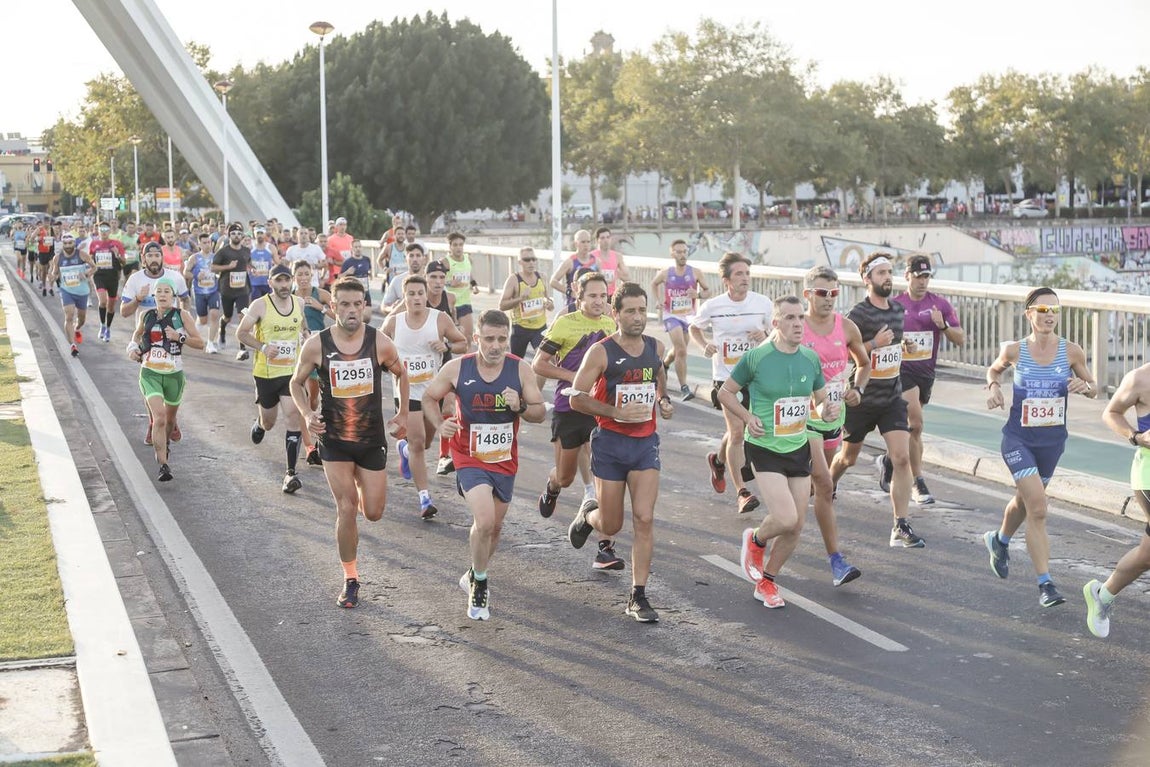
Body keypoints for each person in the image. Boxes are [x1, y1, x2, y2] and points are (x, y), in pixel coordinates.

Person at [290, 277, 409, 609]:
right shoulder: (316, 345)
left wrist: (402, 414)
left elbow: (401, 373)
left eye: (358, 304)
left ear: (365, 307)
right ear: (332, 308)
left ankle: (362, 489)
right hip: (335, 440)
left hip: (371, 440)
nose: (352, 310)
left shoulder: (379, 342)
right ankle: (351, 578)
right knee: (346, 509)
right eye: (345, 304)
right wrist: (307, 412)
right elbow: (296, 383)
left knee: (372, 512)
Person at [422, 309, 546, 620]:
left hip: (504, 458)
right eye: (489, 339)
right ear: (477, 339)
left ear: (508, 339)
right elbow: (428, 397)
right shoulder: (457, 368)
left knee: (495, 528)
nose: (495, 346)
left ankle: (473, 572)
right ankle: (480, 583)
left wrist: (519, 406)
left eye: (502, 339)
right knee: (485, 520)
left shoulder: (521, 370)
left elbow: (539, 412)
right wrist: (439, 425)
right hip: (468, 455)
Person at [566, 282, 675, 622]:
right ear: (616, 314)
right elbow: (575, 396)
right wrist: (615, 412)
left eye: (642, 310)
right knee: (611, 525)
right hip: (611, 444)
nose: (638, 317)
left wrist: (663, 400)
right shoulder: (600, 352)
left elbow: (659, 376)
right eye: (630, 310)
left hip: (645, 444)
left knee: (644, 517)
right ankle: (588, 516)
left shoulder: (655, 346)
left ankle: (637, 596)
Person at [983, 287, 1097, 608]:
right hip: (1018, 439)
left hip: (1052, 442)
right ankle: (1045, 584)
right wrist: (994, 387)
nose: (1049, 316)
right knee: (1038, 507)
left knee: (1024, 500)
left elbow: (1094, 386)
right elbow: (994, 369)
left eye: (1054, 311)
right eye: (1042, 310)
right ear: (1028, 314)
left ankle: (999, 541)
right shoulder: (1014, 349)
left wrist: (1084, 386)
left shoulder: (1072, 352)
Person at [729, 297, 837, 608]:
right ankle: (757, 540)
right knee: (786, 517)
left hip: (797, 445)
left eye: (800, 317)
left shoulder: (810, 358)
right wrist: (748, 417)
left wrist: (825, 410)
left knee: (797, 525)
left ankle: (767, 581)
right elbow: (726, 392)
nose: (798, 324)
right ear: (775, 324)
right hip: (764, 446)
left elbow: (818, 400)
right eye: (789, 318)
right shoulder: (757, 358)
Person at [829, 252, 926, 549]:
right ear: (866, 279)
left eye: (889, 272)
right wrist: (873, 344)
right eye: (881, 272)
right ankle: (826, 484)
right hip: (861, 398)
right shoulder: (857, 315)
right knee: (848, 458)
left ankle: (900, 524)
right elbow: (841, 354)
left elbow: (892, 345)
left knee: (901, 457)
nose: (887, 277)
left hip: (891, 397)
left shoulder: (897, 310)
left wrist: (902, 345)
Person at [533, 272, 623, 570]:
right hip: (568, 406)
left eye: (603, 296)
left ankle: (605, 548)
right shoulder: (565, 323)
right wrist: (574, 377)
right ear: (579, 297)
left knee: (605, 474)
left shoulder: (611, 324)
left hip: (599, 408)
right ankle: (553, 486)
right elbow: (539, 364)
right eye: (592, 296)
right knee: (566, 475)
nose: (598, 301)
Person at [799, 266, 870, 586]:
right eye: (821, 293)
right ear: (808, 295)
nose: (828, 299)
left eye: (833, 294)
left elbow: (864, 363)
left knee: (816, 488)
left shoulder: (847, 327)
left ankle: (776, 528)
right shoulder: (796, 327)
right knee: (825, 486)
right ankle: (836, 560)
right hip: (800, 421)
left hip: (832, 419)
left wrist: (858, 389)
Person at [689, 252, 772, 515]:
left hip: (757, 376)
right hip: (726, 378)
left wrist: (765, 335)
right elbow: (694, 327)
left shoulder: (763, 303)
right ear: (726, 280)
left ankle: (718, 459)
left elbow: (776, 335)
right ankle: (742, 492)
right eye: (739, 274)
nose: (745, 278)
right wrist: (705, 345)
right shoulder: (713, 306)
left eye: (747, 273)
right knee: (738, 431)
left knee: (744, 427)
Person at [381, 274, 468, 519]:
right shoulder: (393, 323)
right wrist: (389, 365)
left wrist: (447, 347)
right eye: (411, 294)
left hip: (433, 391)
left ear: (426, 295)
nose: (417, 298)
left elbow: (464, 343)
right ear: (404, 297)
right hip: (406, 393)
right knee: (419, 442)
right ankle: (425, 498)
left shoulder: (439, 319)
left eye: (421, 293)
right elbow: (376, 348)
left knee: (426, 442)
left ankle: (405, 450)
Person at [886, 255, 965, 504]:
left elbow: (960, 338)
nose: (922, 281)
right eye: (917, 276)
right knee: (916, 423)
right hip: (901, 372)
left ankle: (891, 459)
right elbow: (882, 336)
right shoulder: (895, 305)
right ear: (907, 276)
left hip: (926, 374)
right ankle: (917, 481)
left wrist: (942, 326)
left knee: (913, 430)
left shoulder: (939, 304)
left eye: (926, 276)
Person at [1084, 362, 1150, 637]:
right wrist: (1136, 436)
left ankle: (1103, 594)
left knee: (1147, 555)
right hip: (1149, 476)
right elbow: (1111, 413)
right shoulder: (1140, 378)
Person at [237, 263, 311, 494]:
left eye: (287, 280)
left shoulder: (299, 303)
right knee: (269, 421)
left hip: (291, 373)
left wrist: (307, 337)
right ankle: (260, 423)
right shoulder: (260, 305)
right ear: (270, 283)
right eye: (278, 281)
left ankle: (290, 474)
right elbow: (241, 333)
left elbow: (303, 326)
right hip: (266, 373)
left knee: (293, 416)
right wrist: (263, 346)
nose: (284, 285)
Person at [127, 277, 205, 481]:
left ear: (173, 296)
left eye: (166, 291)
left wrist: (179, 337)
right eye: (158, 291)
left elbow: (199, 343)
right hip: (150, 373)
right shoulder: (146, 315)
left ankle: (166, 443)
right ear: (154, 296)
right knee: (159, 418)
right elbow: (136, 336)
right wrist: (132, 349)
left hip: (174, 376)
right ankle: (163, 464)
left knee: (169, 420)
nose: (162, 295)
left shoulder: (182, 315)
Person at [651, 238, 709, 400]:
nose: (682, 255)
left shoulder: (695, 272)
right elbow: (653, 284)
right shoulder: (666, 273)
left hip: (689, 316)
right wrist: (658, 300)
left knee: (678, 350)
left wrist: (697, 295)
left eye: (684, 251)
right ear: (672, 253)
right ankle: (684, 387)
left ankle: (665, 364)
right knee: (682, 350)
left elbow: (707, 292)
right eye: (679, 252)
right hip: (671, 316)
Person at [498, 246, 552, 380]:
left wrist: (549, 304)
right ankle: (515, 394)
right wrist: (521, 298)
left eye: (534, 259)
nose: (531, 263)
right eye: (527, 260)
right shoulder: (514, 280)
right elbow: (502, 305)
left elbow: (549, 301)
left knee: (543, 363)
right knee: (514, 366)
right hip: (520, 329)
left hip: (539, 328)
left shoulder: (542, 277)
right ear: (520, 262)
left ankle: (536, 397)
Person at [47, 233, 96, 357]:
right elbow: (55, 273)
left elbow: (94, 267)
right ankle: (72, 345)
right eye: (65, 244)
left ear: (74, 243)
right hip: (66, 290)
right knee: (69, 316)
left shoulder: (81, 254)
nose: (68, 246)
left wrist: (86, 274)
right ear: (62, 244)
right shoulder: (57, 258)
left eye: (70, 243)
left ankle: (77, 328)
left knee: (82, 319)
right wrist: (52, 277)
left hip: (82, 291)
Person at [214, 223, 252, 360]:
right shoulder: (223, 251)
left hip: (243, 290)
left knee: (243, 316)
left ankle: (242, 348)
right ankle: (222, 327)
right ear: (229, 236)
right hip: (227, 290)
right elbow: (213, 267)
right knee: (228, 317)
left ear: (242, 236)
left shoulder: (246, 251)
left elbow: (248, 262)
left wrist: (251, 268)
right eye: (233, 234)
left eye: (239, 234)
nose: (236, 236)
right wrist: (228, 266)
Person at [183, 232, 223, 354]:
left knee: (215, 314)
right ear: (199, 244)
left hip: (213, 291)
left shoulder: (215, 257)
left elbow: (221, 272)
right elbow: (185, 273)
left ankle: (211, 343)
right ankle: (194, 335)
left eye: (209, 242)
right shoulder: (194, 258)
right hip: (200, 292)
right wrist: (196, 275)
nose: (207, 245)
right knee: (203, 319)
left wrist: (219, 275)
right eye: (204, 243)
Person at [87, 222, 126, 342]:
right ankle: (102, 325)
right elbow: (89, 259)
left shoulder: (117, 244)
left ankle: (108, 328)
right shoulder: (94, 244)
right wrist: (89, 268)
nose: (103, 232)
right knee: (102, 301)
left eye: (106, 230)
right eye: (101, 230)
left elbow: (124, 262)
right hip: (99, 276)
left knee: (111, 306)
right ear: (98, 231)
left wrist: (117, 255)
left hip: (113, 277)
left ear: (109, 231)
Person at [440, 232, 480, 347]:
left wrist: (474, 285)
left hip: (465, 302)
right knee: (447, 337)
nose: (458, 248)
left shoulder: (468, 259)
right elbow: (436, 281)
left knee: (468, 336)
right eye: (455, 245)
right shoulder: (445, 262)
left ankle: (466, 361)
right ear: (450, 246)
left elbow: (469, 275)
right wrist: (449, 283)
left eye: (461, 245)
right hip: (449, 305)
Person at [549, 230, 598, 314]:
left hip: (591, 305)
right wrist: (569, 292)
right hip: (574, 304)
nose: (586, 245)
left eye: (588, 242)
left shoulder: (596, 261)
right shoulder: (570, 261)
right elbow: (553, 281)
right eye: (583, 242)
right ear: (576, 244)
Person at [382, 242, 428, 314]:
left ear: (424, 259)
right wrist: (392, 309)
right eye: (411, 256)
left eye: (418, 256)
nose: (415, 259)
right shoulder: (397, 280)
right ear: (406, 258)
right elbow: (384, 306)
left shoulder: (431, 280)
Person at [588, 226, 630, 297]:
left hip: (611, 294)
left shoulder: (617, 256)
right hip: (595, 295)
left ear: (611, 239)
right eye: (602, 238)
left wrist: (616, 274)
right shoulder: (592, 256)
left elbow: (627, 277)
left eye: (608, 237)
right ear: (597, 240)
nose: (606, 240)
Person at [339, 241, 374, 322]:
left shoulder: (366, 259)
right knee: (355, 316)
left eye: (359, 247)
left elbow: (369, 269)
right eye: (355, 247)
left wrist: (369, 274)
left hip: (365, 291)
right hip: (353, 293)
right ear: (352, 249)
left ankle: (363, 331)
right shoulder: (348, 262)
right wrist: (347, 272)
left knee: (367, 317)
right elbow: (339, 277)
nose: (358, 249)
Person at [324, 216, 355, 288]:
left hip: (349, 269)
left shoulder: (350, 238)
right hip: (336, 270)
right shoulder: (331, 239)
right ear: (336, 226)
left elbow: (353, 252)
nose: (342, 227)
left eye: (344, 225)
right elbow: (330, 257)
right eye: (340, 224)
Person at [248, 226, 276, 301]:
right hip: (254, 283)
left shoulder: (270, 247)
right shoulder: (250, 248)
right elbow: (245, 263)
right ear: (254, 234)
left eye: (261, 233)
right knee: (255, 306)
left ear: (264, 234)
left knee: (269, 306)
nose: (259, 235)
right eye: (258, 233)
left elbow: (277, 264)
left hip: (268, 283)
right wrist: (251, 268)